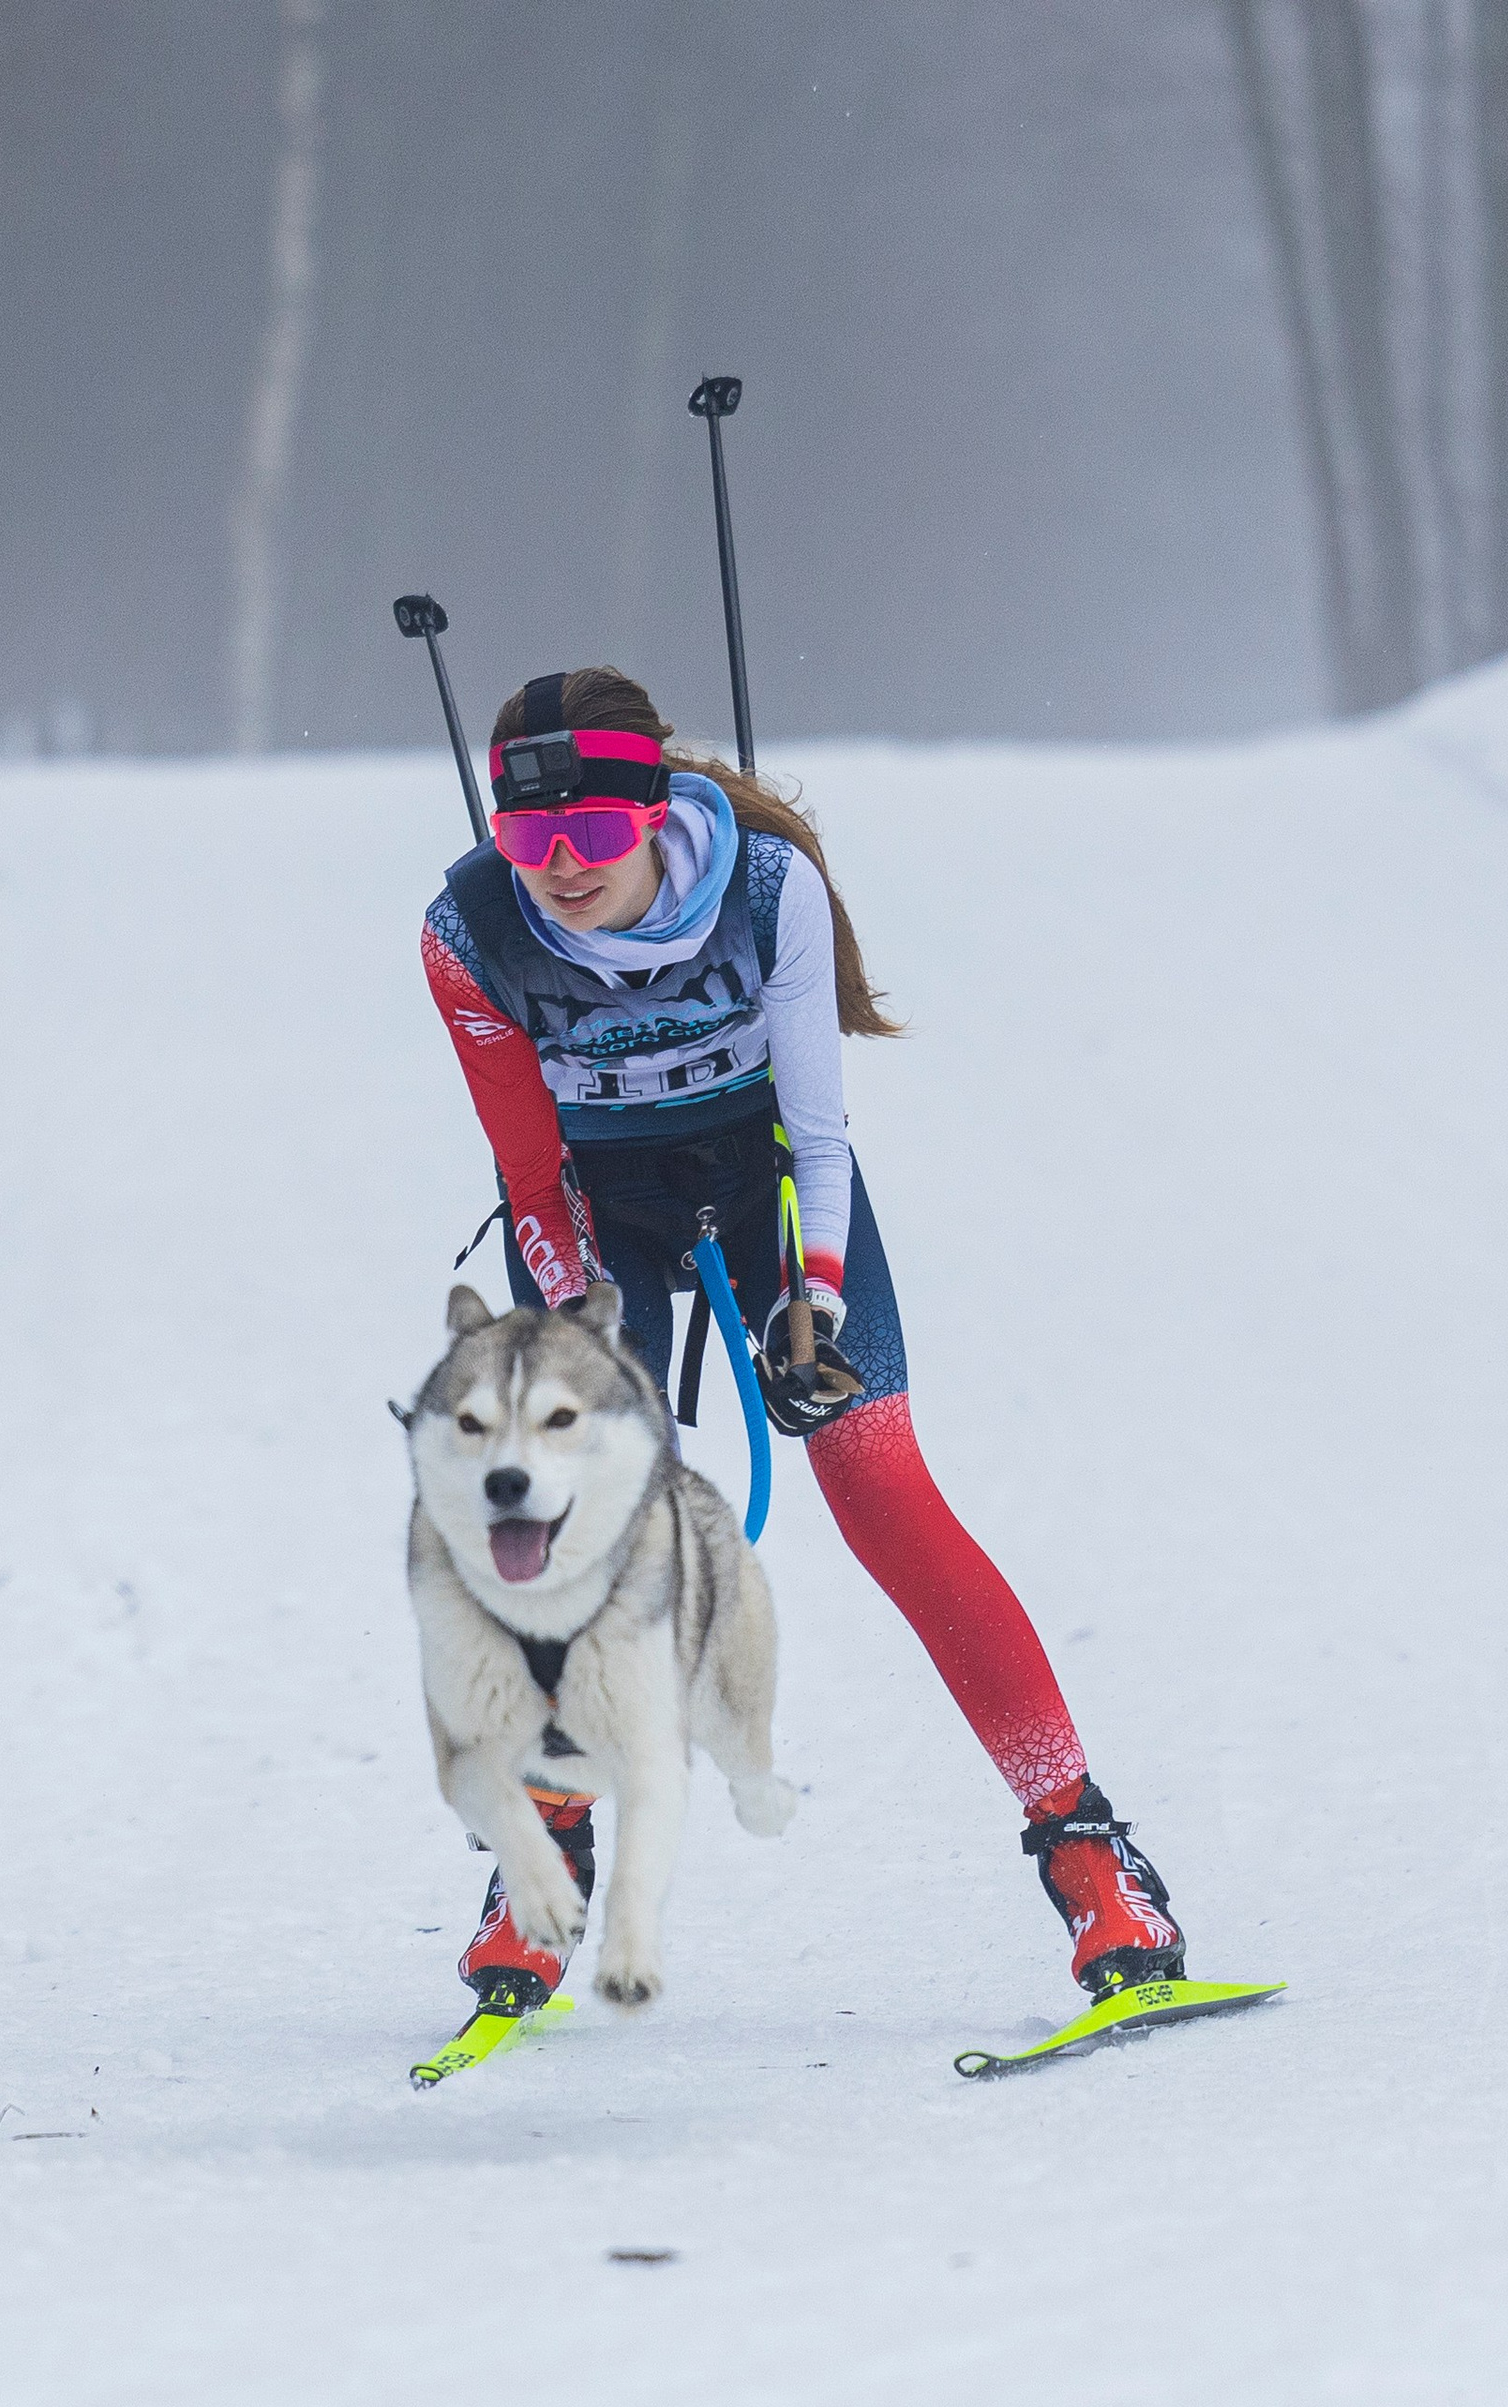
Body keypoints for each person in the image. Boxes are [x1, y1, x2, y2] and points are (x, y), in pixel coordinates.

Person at [419, 666, 1185, 2020]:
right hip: (602, 1217)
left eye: (593, 835)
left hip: (774, 1189)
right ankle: (543, 1868)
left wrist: (813, 1302)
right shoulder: (467, 933)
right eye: (530, 840)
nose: (561, 871)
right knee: (568, 1509)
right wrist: (585, 1337)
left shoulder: (768, 891)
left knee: (879, 1483)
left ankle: (1089, 1853)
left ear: (656, 807)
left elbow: (821, 1137)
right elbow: (533, 1185)